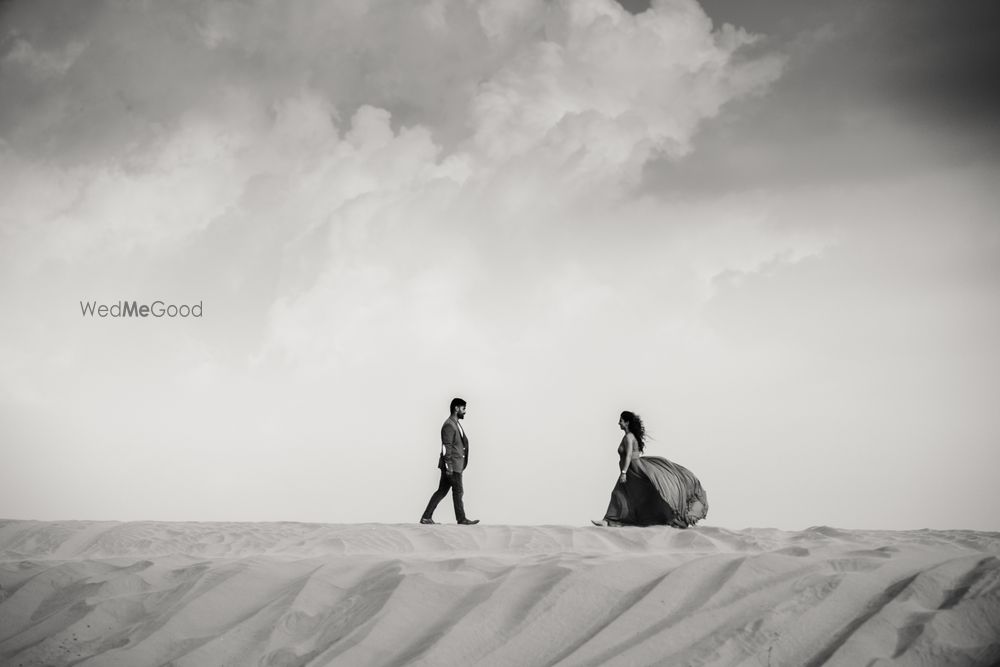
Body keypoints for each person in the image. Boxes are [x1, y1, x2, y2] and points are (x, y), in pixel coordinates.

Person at [592, 411, 708, 528]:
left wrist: (624, 472)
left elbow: (628, 456)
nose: (619, 423)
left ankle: (608, 520)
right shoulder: (629, 436)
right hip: (632, 469)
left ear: (627, 422)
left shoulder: (629, 437)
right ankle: (609, 520)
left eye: (621, 420)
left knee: (622, 492)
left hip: (634, 469)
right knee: (625, 493)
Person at [420, 397, 479, 525]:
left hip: (455, 465)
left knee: (442, 491)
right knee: (458, 491)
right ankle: (461, 519)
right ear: (456, 408)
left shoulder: (455, 423)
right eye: (463, 409)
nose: (465, 412)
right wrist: (449, 467)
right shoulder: (449, 425)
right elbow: (446, 447)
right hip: (452, 466)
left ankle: (426, 517)